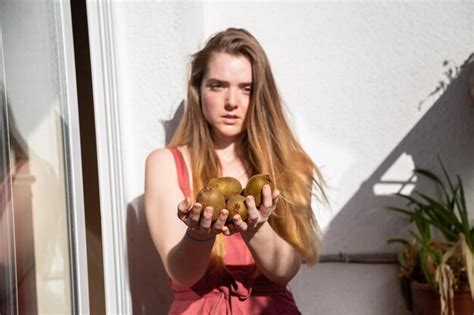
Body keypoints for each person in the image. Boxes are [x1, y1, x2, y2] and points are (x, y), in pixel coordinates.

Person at [145, 28, 326, 314]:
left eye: (246, 88)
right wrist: (200, 236)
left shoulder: (292, 165)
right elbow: (182, 273)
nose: (232, 102)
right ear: (198, 89)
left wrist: (255, 228)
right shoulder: (165, 163)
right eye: (217, 85)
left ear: (261, 95)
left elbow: (285, 270)